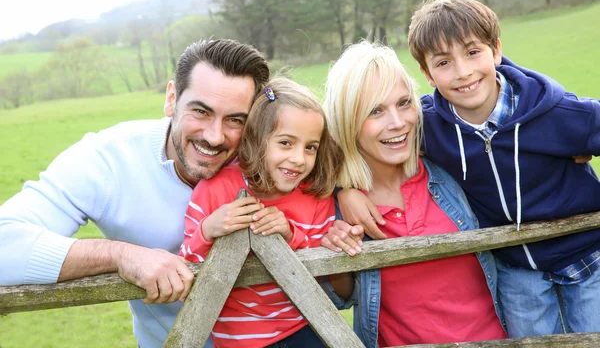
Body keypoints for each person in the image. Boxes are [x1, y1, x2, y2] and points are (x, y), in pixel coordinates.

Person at [340, 0, 600, 338]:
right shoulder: (426, 127)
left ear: (496, 50)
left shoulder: (553, 113)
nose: (463, 72)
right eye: (444, 62)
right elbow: (338, 140)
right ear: (427, 73)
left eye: (473, 52)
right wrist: (343, 189)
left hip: (584, 257)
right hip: (517, 271)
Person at [0, 39, 271, 347]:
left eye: (235, 120)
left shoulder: (275, 158)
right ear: (171, 99)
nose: (214, 136)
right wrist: (123, 255)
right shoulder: (109, 159)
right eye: (201, 111)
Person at [320, 41, 507, 347]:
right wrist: (337, 249)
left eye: (404, 103)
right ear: (348, 122)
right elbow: (344, 297)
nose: (398, 122)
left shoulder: (450, 169)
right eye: (375, 111)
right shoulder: (338, 207)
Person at [179, 77, 345, 347]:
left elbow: (322, 272)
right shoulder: (215, 189)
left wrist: (290, 234)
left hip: (307, 326)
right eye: (286, 143)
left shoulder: (314, 195)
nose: (299, 159)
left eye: (310, 147)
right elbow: (186, 273)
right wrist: (208, 230)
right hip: (239, 340)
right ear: (258, 139)